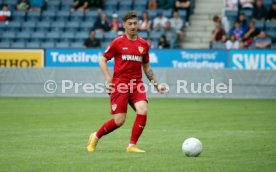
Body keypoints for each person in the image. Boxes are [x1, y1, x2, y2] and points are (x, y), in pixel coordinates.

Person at [87, 11, 168, 153]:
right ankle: (95, 136)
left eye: (135, 23)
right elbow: (102, 60)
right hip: (120, 85)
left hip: (137, 84)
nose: (133, 26)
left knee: (143, 110)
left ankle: (132, 146)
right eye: (129, 24)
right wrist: (108, 79)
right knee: (119, 121)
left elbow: (147, 68)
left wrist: (157, 85)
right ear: (124, 25)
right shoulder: (118, 42)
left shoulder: (143, 44)